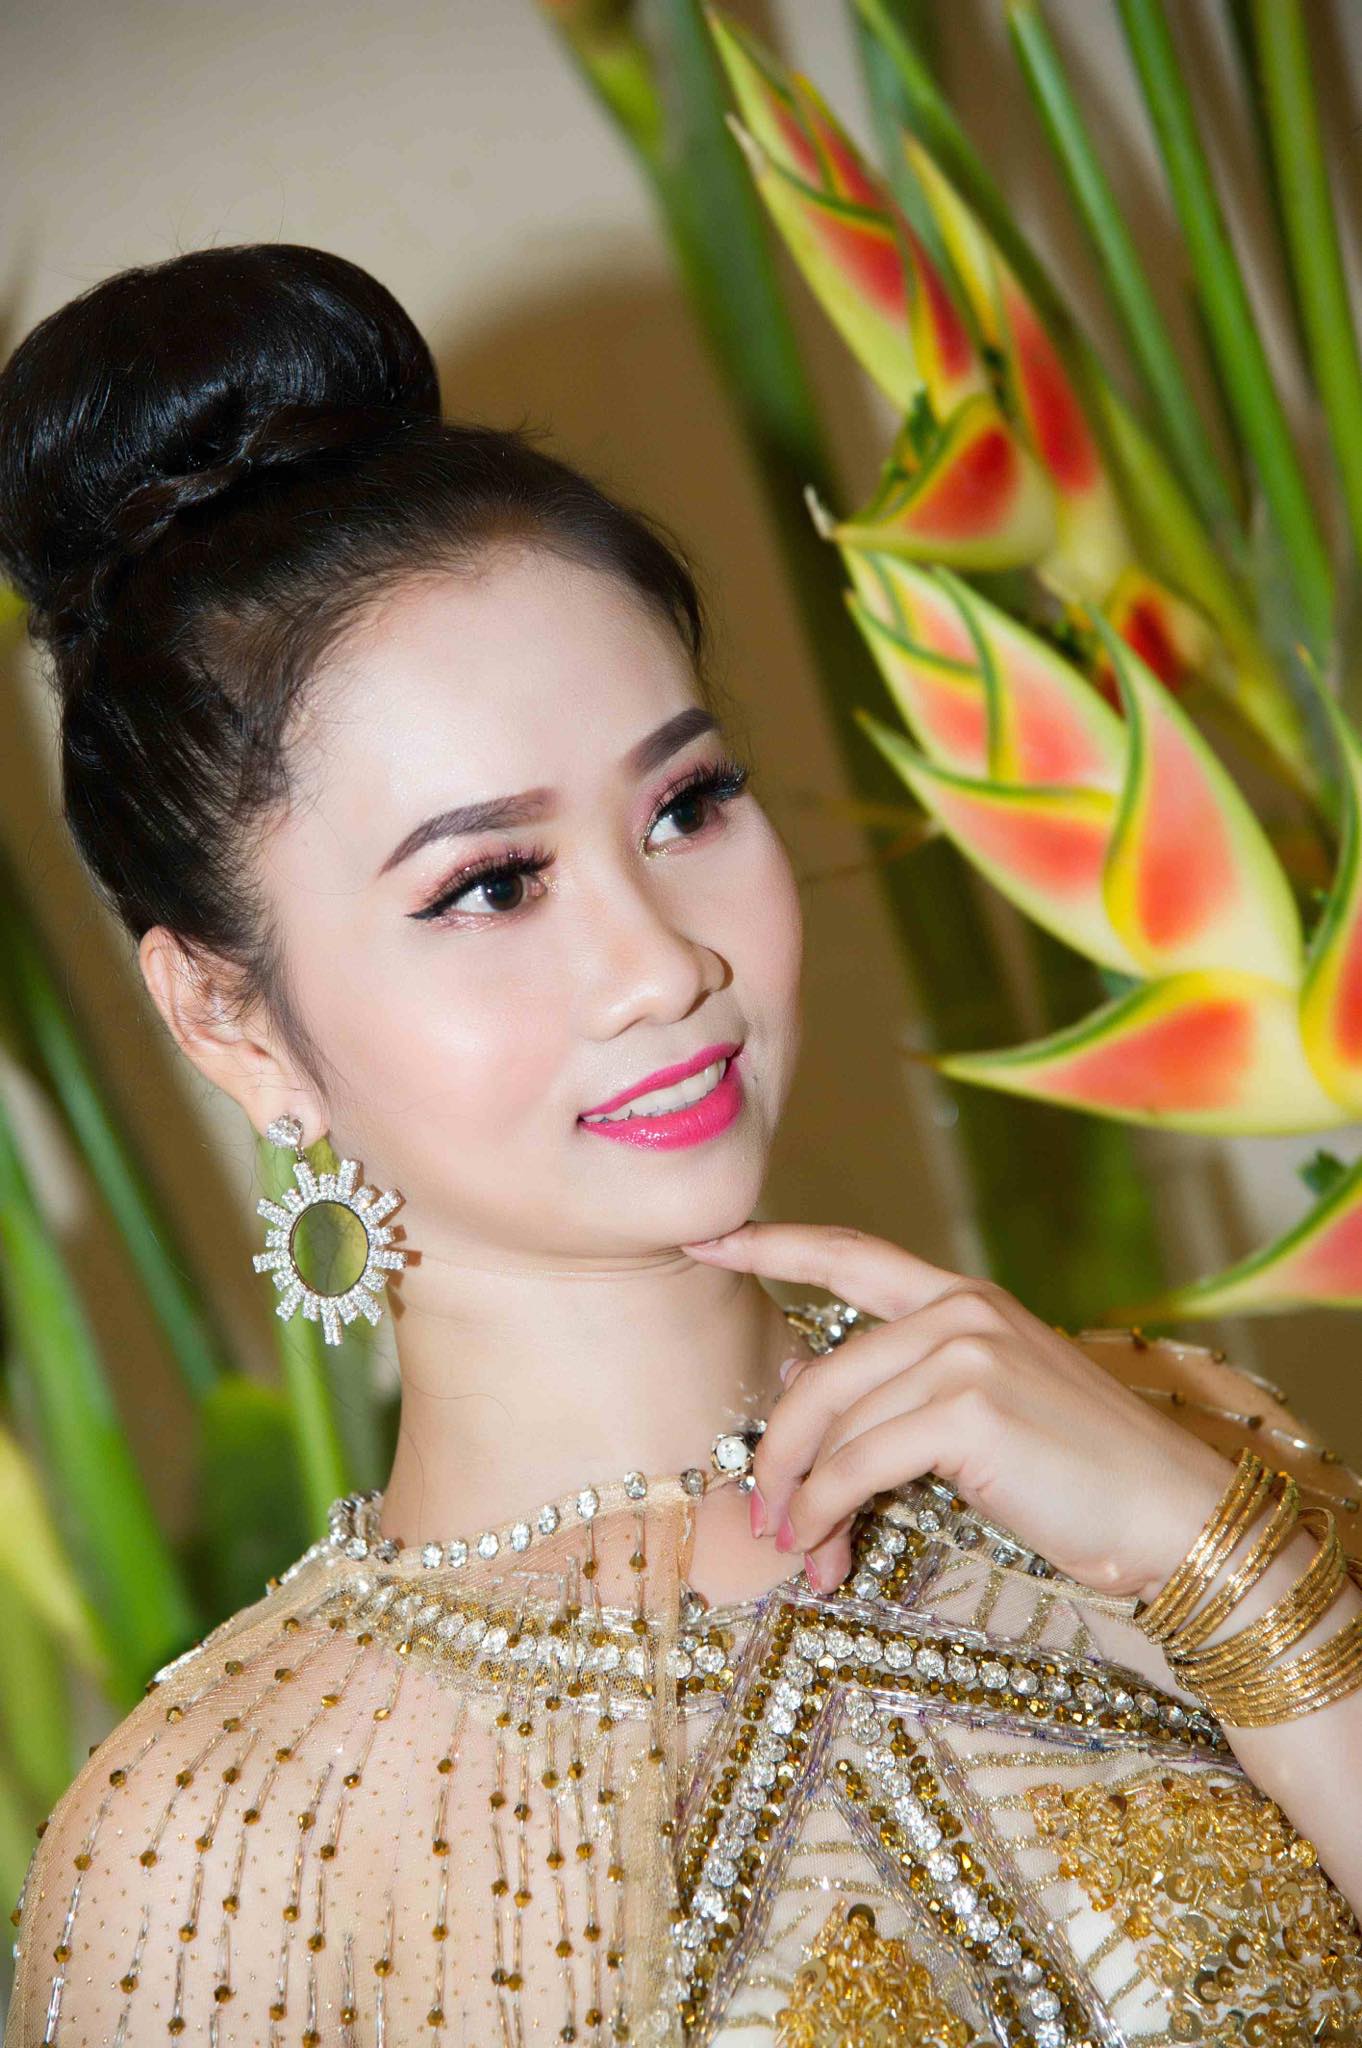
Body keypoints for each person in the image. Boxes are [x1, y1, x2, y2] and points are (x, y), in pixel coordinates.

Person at [1, 242, 1360, 2048]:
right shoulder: (207, 1859)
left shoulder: (1170, 1446)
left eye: (686, 804)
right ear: (229, 1021)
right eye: (491, 884)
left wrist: (1234, 1579)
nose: (663, 964)